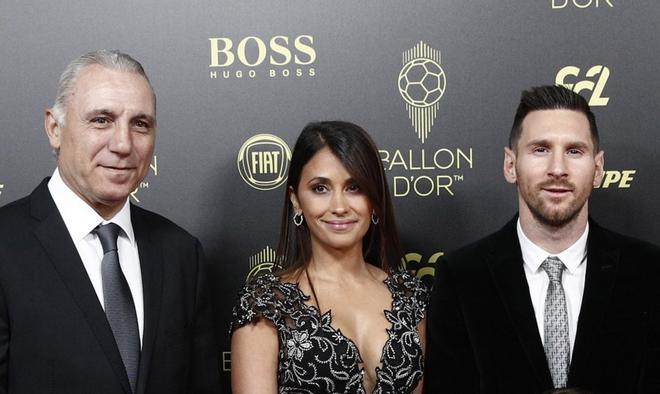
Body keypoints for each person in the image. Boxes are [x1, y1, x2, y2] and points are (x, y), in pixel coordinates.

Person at [0, 50, 221, 394]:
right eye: (102, 120)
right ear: (54, 128)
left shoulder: (181, 253)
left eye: (140, 124)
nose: (123, 144)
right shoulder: (5, 243)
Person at [424, 85, 660, 393]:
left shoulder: (649, 271)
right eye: (540, 149)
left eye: (574, 151)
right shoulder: (462, 276)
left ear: (598, 168)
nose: (558, 169)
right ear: (511, 165)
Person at [230, 121, 429, 393]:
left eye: (354, 187)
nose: (339, 207)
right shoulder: (266, 304)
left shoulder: (410, 296)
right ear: (296, 199)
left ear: (375, 198)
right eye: (320, 188)